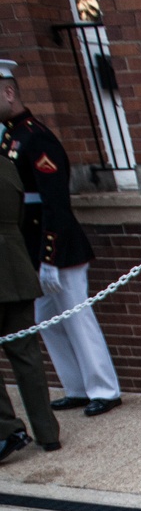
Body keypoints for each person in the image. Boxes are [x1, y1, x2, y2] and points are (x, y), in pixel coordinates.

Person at [0, 60, 121, 417]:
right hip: (29, 248)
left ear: (9, 92)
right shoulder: (10, 136)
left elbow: (54, 201)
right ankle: (77, 387)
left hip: (58, 246)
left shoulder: (37, 136)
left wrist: (49, 255)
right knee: (46, 322)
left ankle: (104, 388)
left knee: (77, 318)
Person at [0, 155, 61, 463]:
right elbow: (21, 214)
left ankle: (6, 430)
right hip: (16, 268)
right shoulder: (6, 165)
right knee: (26, 355)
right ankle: (47, 432)